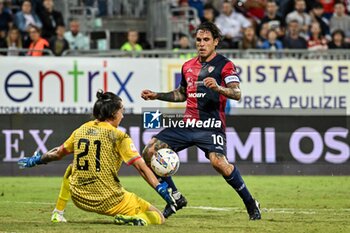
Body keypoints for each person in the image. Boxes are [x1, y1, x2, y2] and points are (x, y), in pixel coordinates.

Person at [141, 21, 261, 221]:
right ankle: (176, 197)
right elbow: (182, 94)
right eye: (198, 40)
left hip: (210, 126)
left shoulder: (225, 65)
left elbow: (237, 93)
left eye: (206, 40)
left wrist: (218, 88)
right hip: (187, 124)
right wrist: (156, 95)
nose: (201, 44)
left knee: (219, 163)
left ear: (215, 42)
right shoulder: (188, 65)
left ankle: (250, 203)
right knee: (149, 152)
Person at [18, 90, 176, 226]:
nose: (123, 115)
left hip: (80, 197)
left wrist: (37, 160)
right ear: (113, 113)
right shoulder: (119, 136)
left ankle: (58, 213)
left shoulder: (82, 129)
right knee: (158, 217)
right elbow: (141, 167)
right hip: (109, 200)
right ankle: (136, 219)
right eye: (121, 110)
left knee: (72, 168)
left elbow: (57, 153)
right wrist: (161, 189)